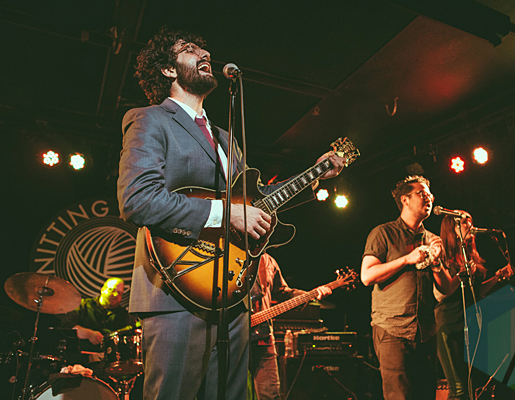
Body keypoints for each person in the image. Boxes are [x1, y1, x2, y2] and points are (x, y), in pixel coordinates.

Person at [117, 27, 345, 400]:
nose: (204, 53)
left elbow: (255, 204)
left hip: (233, 295)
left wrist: (315, 174)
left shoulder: (227, 139)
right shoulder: (149, 119)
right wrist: (227, 214)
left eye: (203, 48)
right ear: (168, 70)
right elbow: (138, 200)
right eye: (189, 49)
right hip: (177, 289)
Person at [360, 175, 450, 400]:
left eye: (430, 194)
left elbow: (447, 289)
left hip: (426, 332)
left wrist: (437, 263)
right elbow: (367, 276)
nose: (429, 198)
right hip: (393, 329)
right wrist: (406, 259)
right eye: (422, 193)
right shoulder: (383, 233)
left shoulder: (433, 240)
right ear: (405, 199)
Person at [436, 212, 514, 400]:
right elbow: (441, 293)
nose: (470, 225)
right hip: (450, 326)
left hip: (471, 324)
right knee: (459, 389)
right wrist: (461, 274)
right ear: (453, 230)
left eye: (470, 220)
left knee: (475, 386)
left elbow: (475, 292)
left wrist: (498, 277)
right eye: (464, 222)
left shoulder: (470, 255)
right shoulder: (442, 256)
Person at [249, 253, 332, 400]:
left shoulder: (268, 261)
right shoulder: (232, 253)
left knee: (271, 395)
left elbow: (282, 292)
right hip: (234, 335)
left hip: (263, 338)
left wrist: (309, 295)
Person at [61, 277, 137, 348]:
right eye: (112, 290)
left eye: (119, 293)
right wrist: (89, 334)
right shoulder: (83, 305)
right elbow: (66, 327)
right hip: (82, 353)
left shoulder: (125, 316)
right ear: (103, 289)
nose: (115, 295)